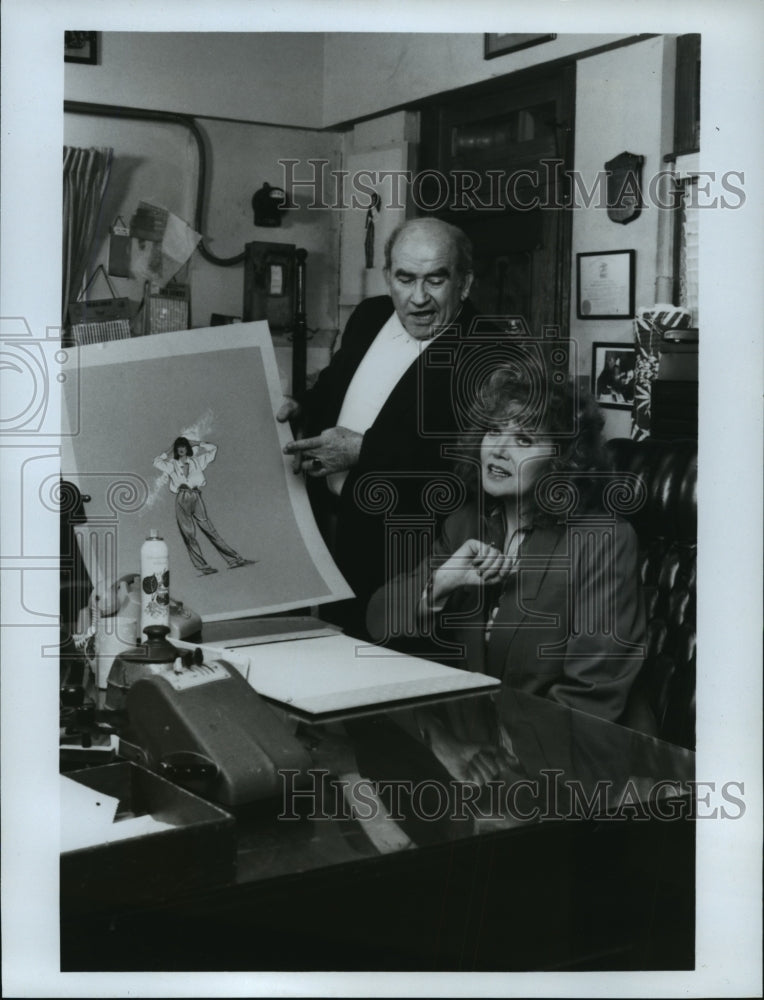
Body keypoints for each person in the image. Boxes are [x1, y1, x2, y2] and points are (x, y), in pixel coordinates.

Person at [366, 367, 648, 726]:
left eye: (524, 440)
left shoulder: (603, 540)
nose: (498, 450)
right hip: (481, 753)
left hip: (571, 758)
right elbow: (379, 618)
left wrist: (502, 757)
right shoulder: (467, 523)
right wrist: (440, 583)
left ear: (563, 460)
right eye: (494, 431)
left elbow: (592, 693)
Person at [276, 217, 479, 636]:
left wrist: (363, 451)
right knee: (331, 648)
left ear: (464, 282)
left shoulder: (484, 348)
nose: (418, 298)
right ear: (387, 277)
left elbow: (462, 457)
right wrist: (303, 406)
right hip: (333, 527)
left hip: (410, 549)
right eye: (405, 278)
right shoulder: (370, 315)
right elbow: (335, 383)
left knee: (387, 661)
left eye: (435, 280)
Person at [153, 437, 255, 575]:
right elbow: (157, 462)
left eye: (184, 445)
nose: (181, 448)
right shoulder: (172, 465)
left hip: (196, 496)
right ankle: (202, 566)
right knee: (188, 534)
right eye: (178, 446)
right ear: (176, 449)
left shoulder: (197, 461)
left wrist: (197, 443)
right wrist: (169, 449)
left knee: (210, 530)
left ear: (187, 447)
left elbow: (213, 449)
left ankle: (235, 559)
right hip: (182, 498)